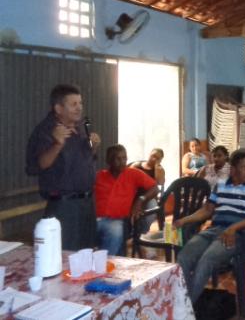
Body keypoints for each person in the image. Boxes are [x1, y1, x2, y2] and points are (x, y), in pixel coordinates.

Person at [176, 150, 245, 305]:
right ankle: (181, 300)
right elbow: (207, 210)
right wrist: (184, 220)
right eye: (243, 167)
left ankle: (185, 307)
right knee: (183, 257)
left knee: (206, 260)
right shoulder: (221, 185)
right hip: (213, 230)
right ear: (233, 169)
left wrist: (234, 228)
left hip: (236, 235)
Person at [25, 84, 101, 250]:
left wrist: (93, 146)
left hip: (87, 203)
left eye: (80, 103)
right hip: (64, 206)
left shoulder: (81, 128)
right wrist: (57, 144)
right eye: (73, 104)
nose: (79, 108)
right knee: (66, 257)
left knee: (87, 255)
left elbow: (87, 159)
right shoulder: (45, 130)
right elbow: (39, 165)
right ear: (58, 108)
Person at [95, 145, 158, 256]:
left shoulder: (133, 173)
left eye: (124, 158)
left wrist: (140, 200)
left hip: (117, 220)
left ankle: (103, 265)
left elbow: (154, 188)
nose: (122, 162)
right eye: (118, 159)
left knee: (115, 231)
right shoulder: (100, 176)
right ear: (109, 160)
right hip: (96, 219)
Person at [129, 148, 166, 236]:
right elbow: (127, 177)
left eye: (157, 158)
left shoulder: (160, 169)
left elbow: (160, 183)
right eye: (153, 156)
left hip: (150, 196)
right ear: (149, 154)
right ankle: (130, 231)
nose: (154, 159)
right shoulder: (137, 165)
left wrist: (157, 170)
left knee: (152, 207)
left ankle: (142, 232)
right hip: (133, 194)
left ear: (160, 160)